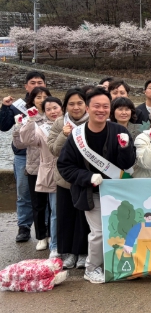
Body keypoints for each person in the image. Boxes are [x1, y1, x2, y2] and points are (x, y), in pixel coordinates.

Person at [57, 87, 136, 284]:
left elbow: (127, 164)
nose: (101, 110)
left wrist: (125, 148)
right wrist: (87, 177)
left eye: (105, 106)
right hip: (91, 192)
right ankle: (91, 268)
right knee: (99, 232)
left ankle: (119, 265)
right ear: (87, 108)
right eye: (96, 106)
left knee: (121, 230)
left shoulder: (120, 131)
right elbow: (64, 166)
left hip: (118, 191)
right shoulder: (77, 136)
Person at [1, 70, 46, 242]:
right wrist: (5, 108)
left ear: (45, 85)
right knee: (24, 193)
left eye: (40, 82)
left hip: (45, 155)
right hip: (22, 155)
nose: (36, 86)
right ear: (26, 86)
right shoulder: (17, 106)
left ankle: (46, 228)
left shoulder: (52, 105)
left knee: (47, 192)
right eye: (32, 83)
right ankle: (24, 227)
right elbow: (4, 126)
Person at [47, 88, 90, 270]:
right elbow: (53, 150)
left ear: (86, 105)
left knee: (84, 217)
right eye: (71, 104)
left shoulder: (94, 121)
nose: (76, 107)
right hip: (65, 178)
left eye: (80, 103)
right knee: (65, 216)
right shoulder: (60, 123)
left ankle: (83, 252)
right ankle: (68, 253)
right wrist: (63, 135)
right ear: (65, 106)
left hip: (86, 178)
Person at [17, 93, 61, 257]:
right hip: (47, 172)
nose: (52, 111)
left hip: (69, 172)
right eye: (48, 109)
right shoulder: (41, 127)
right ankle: (50, 241)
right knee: (48, 208)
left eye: (55, 108)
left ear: (62, 108)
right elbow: (26, 140)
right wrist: (30, 120)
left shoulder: (71, 125)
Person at [12, 86, 51, 252]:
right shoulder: (28, 118)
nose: (42, 100)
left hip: (53, 166)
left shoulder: (56, 115)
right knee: (38, 204)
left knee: (54, 205)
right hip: (35, 167)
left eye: (45, 97)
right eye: (38, 97)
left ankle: (53, 234)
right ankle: (41, 236)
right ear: (32, 100)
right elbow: (19, 144)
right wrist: (18, 127)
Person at [123, 212, 151, 277]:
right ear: (145, 218)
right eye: (148, 217)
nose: (149, 218)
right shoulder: (140, 225)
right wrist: (128, 245)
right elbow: (132, 234)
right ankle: (138, 272)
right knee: (140, 255)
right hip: (141, 242)